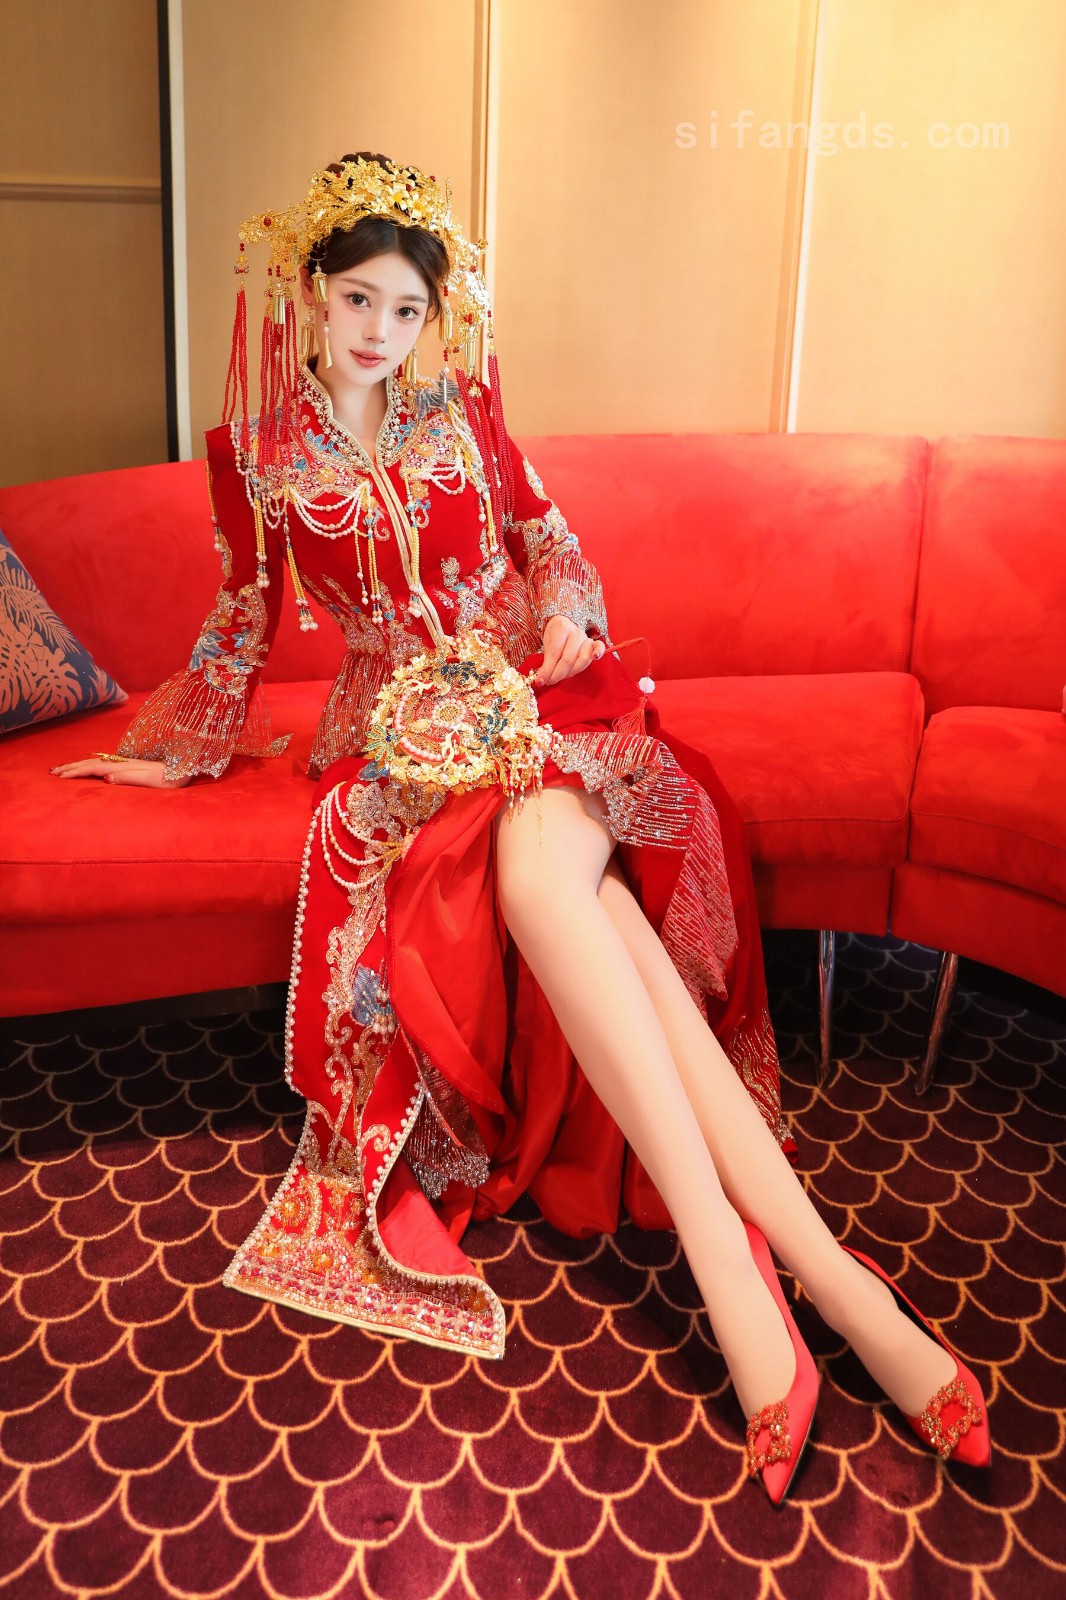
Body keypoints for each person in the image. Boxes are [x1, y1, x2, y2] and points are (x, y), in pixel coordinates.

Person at [52, 152, 989, 1500]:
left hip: (541, 699)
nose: (381, 330)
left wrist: (567, 619)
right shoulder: (251, 455)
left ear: (432, 319)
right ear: (313, 293)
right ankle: (837, 1289)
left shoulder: (466, 413)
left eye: (406, 309)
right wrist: (163, 752)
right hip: (401, 745)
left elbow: (551, 541)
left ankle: (755, 1297)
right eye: (359, 300)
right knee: (584, 908)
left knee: (548, 883)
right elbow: (240, 621)